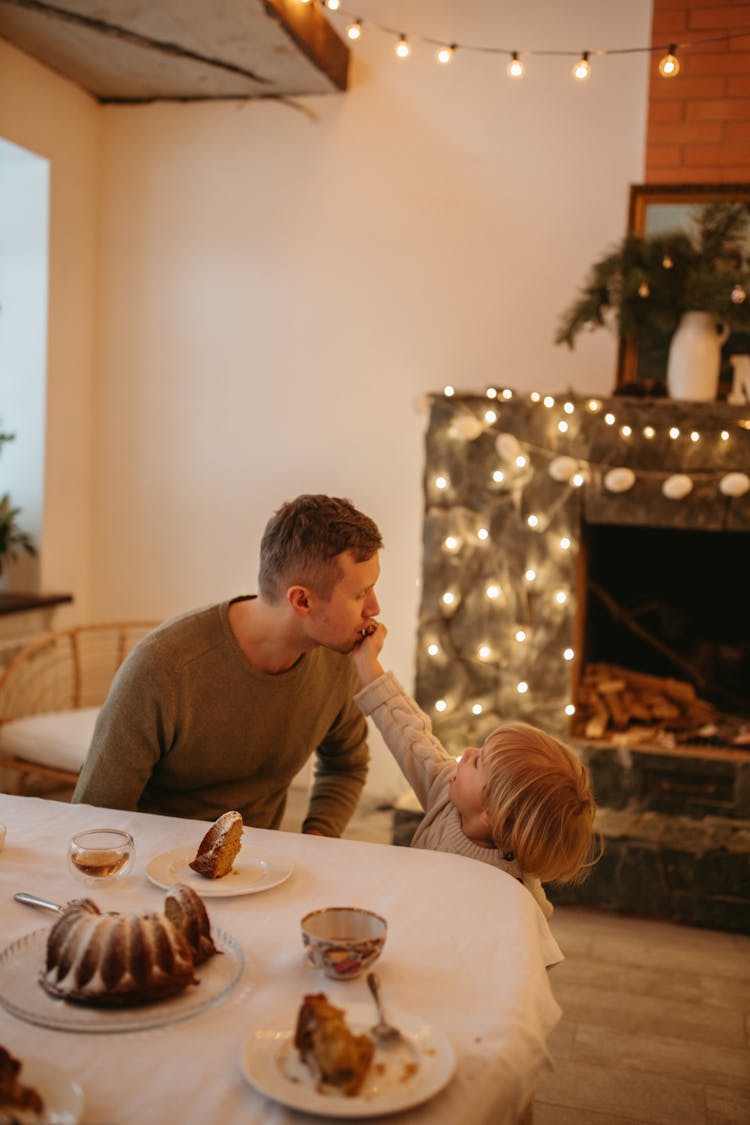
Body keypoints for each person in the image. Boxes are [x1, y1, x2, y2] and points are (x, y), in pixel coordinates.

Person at [73, 494, 383, 836]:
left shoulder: (339, 659)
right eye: (360, 594)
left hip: (262, 871)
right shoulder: (162, 668)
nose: (374, 607)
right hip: (153, 870)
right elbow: (93, 818)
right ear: (302, 600)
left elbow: (346, 766)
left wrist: (318, 838)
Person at [351, 623, 597, 918]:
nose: (466, 753)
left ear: (490, 813)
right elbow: (409, 733)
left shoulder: (513, 894)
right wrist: (368, 664)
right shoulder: (447, 790)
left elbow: (531, 951)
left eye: (478, 761)